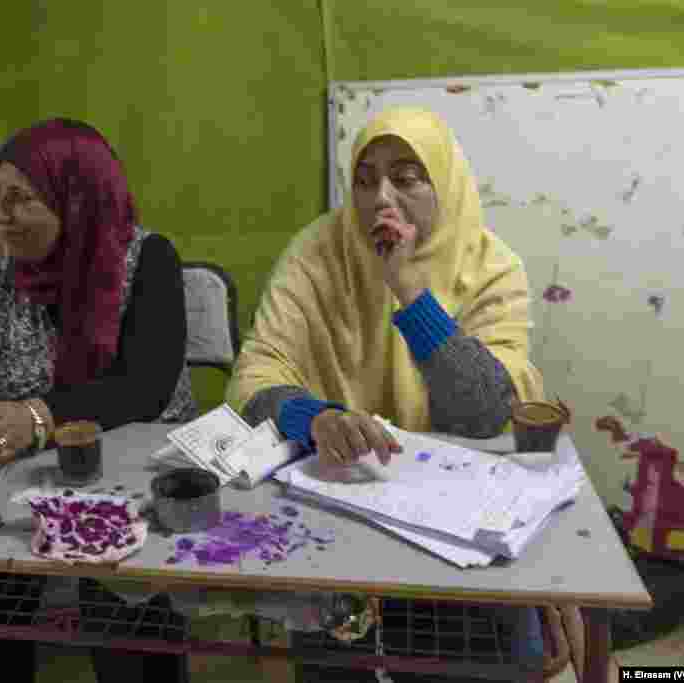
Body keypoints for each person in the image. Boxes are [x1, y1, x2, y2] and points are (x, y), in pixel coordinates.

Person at [226, 107, 546, 682]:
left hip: (457, 523)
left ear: (443, 182)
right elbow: (254, 374)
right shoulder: (318, 252)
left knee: (482, 660)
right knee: (332, 660)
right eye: (365, 179)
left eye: (406, 177)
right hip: (341, 507)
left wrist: (408, 288)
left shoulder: (492, 268)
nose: (381, 198)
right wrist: (313, 418)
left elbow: (487, 415)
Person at [0, 118, 195, 683]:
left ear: (77, 203)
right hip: (15, 479)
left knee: (121, 597)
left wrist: (39, 416)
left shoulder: (147, 261)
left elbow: (144, 386)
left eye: (21, 199)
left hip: (130, 474)